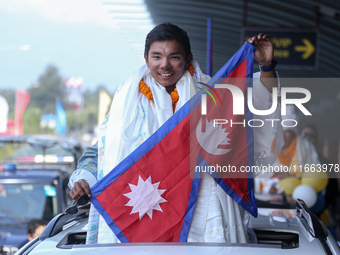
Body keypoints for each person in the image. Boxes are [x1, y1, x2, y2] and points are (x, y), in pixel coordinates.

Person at [69, 23, 281, 244]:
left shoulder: (213, 95)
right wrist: (83, 178)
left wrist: (266, 66)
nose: (164, 65)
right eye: (157, 57)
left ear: (188, 58)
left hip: (205, 217)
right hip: (148, 213)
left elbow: (257, 112)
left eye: (174, 57)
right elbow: (101, 151)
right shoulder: (127, 103)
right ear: (146, 58)